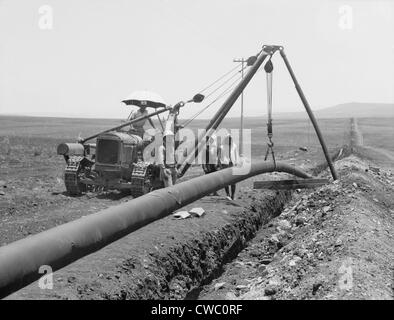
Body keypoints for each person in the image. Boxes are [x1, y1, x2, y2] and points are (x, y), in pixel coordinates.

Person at [218, 134, 239, 200]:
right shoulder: (222, 147)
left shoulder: (234, 146)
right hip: (225, 165)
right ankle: (228, 194)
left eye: (230, 139)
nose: (229, 140)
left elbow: (236, 156)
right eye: (228, 139)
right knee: (226, 181)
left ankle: (233, 195)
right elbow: (218, 157)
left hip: (232, 164)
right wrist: (220, 166)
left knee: (233, 181)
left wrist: (237, 164)